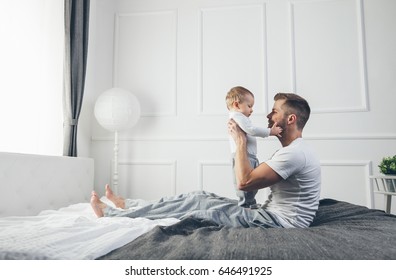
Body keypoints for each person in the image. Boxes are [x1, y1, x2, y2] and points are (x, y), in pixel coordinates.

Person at [91, 93, 321, 229]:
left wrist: (240, 142)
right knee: (199, 197)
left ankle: (113, 215)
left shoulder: (293, 154)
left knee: (200, 208)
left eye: (274, 112)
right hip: (269, 213)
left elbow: (244, 182)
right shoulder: (294, 151)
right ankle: (129, 206)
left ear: (290, 119)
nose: (269, 116)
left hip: (278, 223)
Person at [225, 86, 282, 208]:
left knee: (253, 183)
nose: (252, 110)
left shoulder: (239, 117)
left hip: (249, 156)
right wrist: (270, 132)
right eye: (249, 106)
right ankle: (245, 205)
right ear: (237, 105)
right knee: (246, 185)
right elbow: (251, 130)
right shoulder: (237, 116)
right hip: (244, 156)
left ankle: (249, 202)